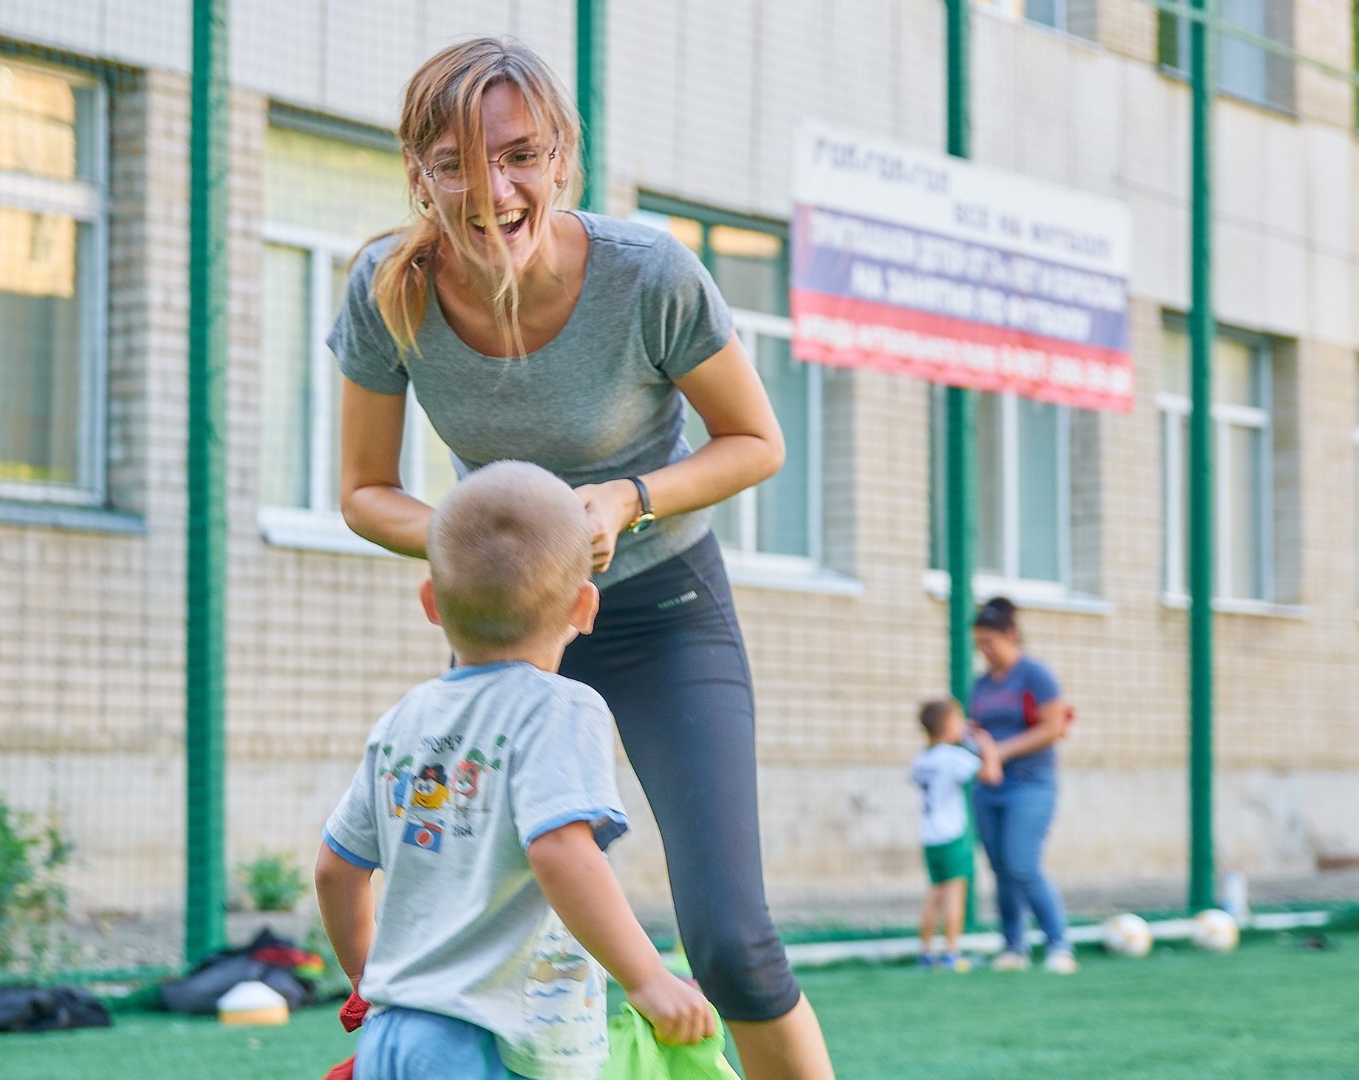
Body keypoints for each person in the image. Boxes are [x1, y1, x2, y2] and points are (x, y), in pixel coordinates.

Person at [327, 36, 834, 1078]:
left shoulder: (651, 277)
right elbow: (363, 492)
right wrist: (489, 545)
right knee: (495, 955)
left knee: (732, 947)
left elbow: (757, 443)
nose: (491, 189)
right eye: (455, 161)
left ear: (562, 158)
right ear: (419, 173)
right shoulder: (388, 291)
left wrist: (625, 500)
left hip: (661, 612)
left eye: (518, 154)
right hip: (507, 638)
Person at [314, 461, 714, 1079]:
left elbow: (336, 868)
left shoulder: (404, 719)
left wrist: (369, 977)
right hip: (494, 1045)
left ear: (431, 604)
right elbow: (559, 849)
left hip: (390, 1036)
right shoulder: (561, 708)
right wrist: (648, 977)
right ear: (585, 606)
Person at [968, 597, 1077, 974]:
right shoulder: (980, 685)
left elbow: (1054, 726)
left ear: (1010, 635)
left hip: (1030, 783)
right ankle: (1013, 947)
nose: (984, 651)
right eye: (978, 644)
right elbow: (976, 730)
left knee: (1023, 864)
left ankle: (1059, 944)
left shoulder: (1035, 676)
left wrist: (1003, 750)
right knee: (1000, 869)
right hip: (989, 787)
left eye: (990, 642)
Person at [910, 698, 1001, 972]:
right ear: (949, 725)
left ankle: (926, 953)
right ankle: (951, 952)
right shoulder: (954, 757)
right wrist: (987, 746)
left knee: (933, 894)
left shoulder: (922, 758)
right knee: (954, 894)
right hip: (952, 835)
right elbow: (992, 775)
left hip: (929, 836)